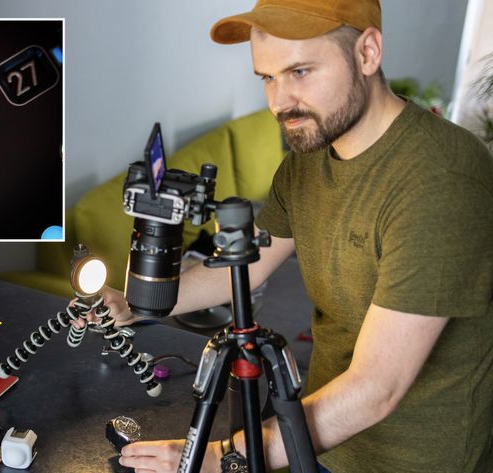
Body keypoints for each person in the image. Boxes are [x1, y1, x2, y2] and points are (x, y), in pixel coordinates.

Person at [75, 0, 493, 471]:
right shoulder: (312, 153)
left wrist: (216, 458)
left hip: (412, 460)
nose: (278, 102)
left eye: (300, 72)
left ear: (368, 53)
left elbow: (378, 390)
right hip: (315, 435)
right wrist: (142, 300)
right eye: (267, 77)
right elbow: (248, 260)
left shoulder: (441, 179)